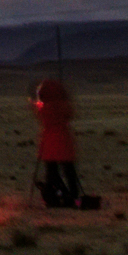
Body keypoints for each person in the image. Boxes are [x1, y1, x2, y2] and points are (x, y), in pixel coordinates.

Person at [33, 78, 81, 208]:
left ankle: (53, 198)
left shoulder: (44, 108)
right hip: (64, 140)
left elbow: (39, 115)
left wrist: (37, 101)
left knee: (51, 173)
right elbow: (70, 114)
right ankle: (74, 197)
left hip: (49, 143)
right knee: (69, 171)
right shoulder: (64, 106)